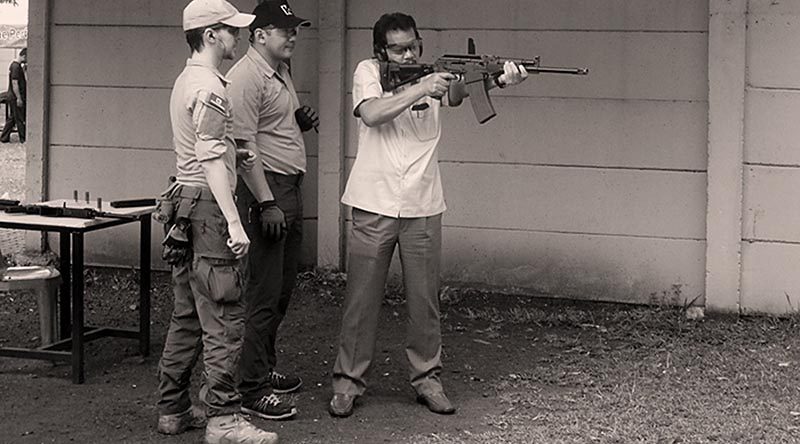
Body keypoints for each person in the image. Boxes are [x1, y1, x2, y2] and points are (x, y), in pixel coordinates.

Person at [329, 12, 528, 418]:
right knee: (361, 301)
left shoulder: (434, 74)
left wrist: (499, 79)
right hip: (374, 202)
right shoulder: (368, 71)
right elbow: (371, 113)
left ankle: (427, 380)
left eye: (413, 46)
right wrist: (421, 84)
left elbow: (457, 94)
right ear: (380, 50)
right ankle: (347, 384)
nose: (407, 54)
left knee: (425, 302)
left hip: (423, 204)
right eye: (398, 49)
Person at [154, 1, 277, 443]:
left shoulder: (188, 79)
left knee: (187, 312)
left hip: (185, 204)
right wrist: (234, 221)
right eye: (230, 30)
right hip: (208, 208)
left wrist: (231, 152)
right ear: (210, 35)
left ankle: (173, 408)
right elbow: (207, 158)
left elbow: (202, 146)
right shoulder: (211, 88)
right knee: (223, 313)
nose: (237, 36)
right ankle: (223, 420)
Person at [226, 0, 318, 421]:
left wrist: (296, 120)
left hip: (288, 187)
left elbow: (267, 125)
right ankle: (251, 388)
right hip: (269, 192)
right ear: (260, 34)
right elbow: (244, 148)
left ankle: (262, 365)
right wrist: (265, 202)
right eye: (285, 30)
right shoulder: (246, 76)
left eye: (295, 29)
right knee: (264, 292)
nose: (293, 35)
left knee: (281, 288)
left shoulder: (279, 70)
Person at [0, 47, 26, 144]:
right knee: (19, 117)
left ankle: (4, 137)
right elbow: (15, 83)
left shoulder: (15, 66)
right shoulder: (16, 67)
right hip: (15, 96)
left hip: (12, 96)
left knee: (13, 117)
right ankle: (23, 138)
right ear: (24, 56)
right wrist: (19, 98)